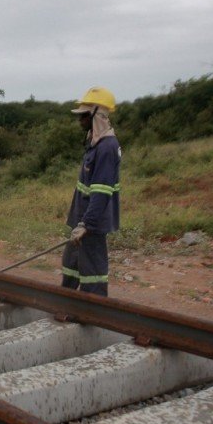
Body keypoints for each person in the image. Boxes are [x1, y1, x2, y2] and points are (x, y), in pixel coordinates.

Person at [60, 86, 122, 297]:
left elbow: (101, 193)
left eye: (84, 115)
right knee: (71, 266)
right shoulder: (95, 144)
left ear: (97, 115)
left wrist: (87, 225)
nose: (80, 120)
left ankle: (93, 315)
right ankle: (66, 304)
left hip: (91, 225)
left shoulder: (107, 148)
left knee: (92, 275)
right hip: (81, 220)